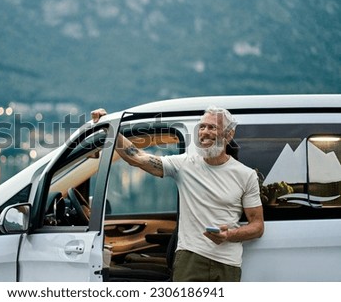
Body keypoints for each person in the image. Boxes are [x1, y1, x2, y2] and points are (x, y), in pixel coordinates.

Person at [91, 105, 264, 282]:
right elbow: (137, 157)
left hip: (228, 263)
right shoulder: (185, 164)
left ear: (229, 134)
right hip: (191, 259)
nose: (204, 132)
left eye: (212, 127)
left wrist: (229, 236)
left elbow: (257, 226)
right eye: (202, 127)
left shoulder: (246, 175)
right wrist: (110, 128)